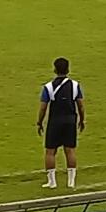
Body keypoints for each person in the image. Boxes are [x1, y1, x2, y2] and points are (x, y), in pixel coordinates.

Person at [37, 57, 85, 189]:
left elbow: (43, 107)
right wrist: (82, 119)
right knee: (70, 150)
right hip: (70, 120)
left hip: (55, 121)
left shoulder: (48, 87)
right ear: (68, 69)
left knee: (50, 151)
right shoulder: (75, 86)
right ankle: (71, 181)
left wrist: (39, 122)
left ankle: (52, 182)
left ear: (54, 69)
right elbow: (80, 105)